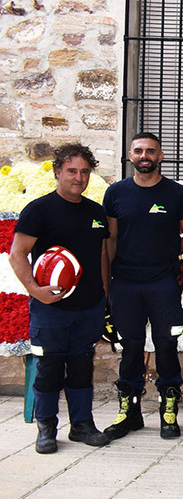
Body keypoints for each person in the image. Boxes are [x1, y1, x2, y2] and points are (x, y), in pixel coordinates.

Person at [9, 144, 111, 453]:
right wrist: (36, 291)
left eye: (84, 171)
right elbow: (18, 255)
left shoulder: (96, 212)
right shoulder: (39, 210)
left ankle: (81, 425)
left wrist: (105, 296)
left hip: (89, 307)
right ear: (58, 173)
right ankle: (47, 428)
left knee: (81, 367)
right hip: (52, 309)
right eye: (71, 171)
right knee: (50, 367)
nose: (78, 178)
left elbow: (103, 256)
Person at [102, 132, 183, 441]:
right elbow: (111, 240)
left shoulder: (177, 194)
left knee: (166, 344)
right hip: (126, 284)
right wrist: (108, 283)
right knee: (130, 346)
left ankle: (168, 410)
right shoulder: (115, 193)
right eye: (139, 150)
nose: (145, 156)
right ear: (130, 155)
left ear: (160, 155)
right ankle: (129, 412)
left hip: (163, 283)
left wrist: (166, 253)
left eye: (151, 151)